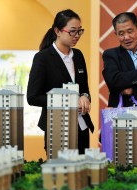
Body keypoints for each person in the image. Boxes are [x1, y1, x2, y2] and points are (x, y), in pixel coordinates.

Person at [27, 9, 94, 154]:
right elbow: (32, 97)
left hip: (81, 127)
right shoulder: (43, 58)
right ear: (57, 31)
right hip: (57, 127)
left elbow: (85, 89)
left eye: (79, 31)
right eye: (72, 31)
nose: (77, 36)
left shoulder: (78, 55)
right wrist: (67, 101)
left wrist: (85, 97)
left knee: (82, 173)